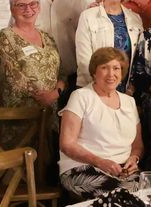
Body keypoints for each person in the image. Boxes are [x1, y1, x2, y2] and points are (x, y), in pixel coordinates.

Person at [59, 47, 144, 197]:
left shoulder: (129, 102)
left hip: (122, 171)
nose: (111, 74)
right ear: (94, 72)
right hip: (83, 168)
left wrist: (134, 158)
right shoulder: (81, 96)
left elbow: (137, 146)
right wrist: (100, 162)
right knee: (122, 196)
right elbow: (67, 144)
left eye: (116, 68)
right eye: (104, 68)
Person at [0, 0, 64, 115]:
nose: (28, 9)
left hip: (50, 113)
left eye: (33, 4)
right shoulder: (5, 37)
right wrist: (44, 97)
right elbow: (11, 78)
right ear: (12, 9)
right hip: (21, 116)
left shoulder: (48, 38)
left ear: (39, 7)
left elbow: (62, 73)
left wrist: (55, 93)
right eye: (21, 5)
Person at [75, 0, 144, 89]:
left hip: (125, 91)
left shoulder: (135, 19)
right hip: (93, 89)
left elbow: (138, 60)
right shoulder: (87, 17)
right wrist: (102, 90)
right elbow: (84, 61)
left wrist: (131, 88)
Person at [35, 0, 88, 86]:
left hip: (73, 79)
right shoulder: (27, 3)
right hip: (37, 79)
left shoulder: (79, 4)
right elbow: (15, 36)